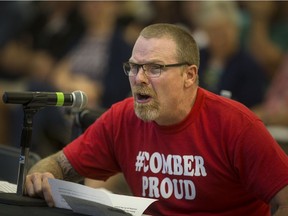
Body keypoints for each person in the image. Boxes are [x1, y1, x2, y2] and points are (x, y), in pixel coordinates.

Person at [24, 23, 288, 216]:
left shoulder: (236, 124)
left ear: (190, 76)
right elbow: (58, 164)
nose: (139, 78)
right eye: (134, 67)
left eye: (155, 68)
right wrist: (41, 175)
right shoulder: (122, 117)